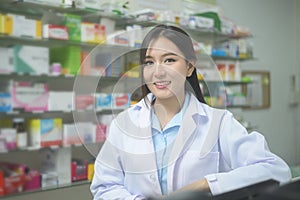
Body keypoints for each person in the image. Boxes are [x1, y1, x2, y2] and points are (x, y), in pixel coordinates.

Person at [90, 24, 291, 199]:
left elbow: (275, 170)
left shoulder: (218, 122)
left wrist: (206, 184)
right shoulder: (124, 123)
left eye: (169, 60)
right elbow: (104, 187)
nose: (158, 71)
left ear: (189, 67)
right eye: (149, 62)